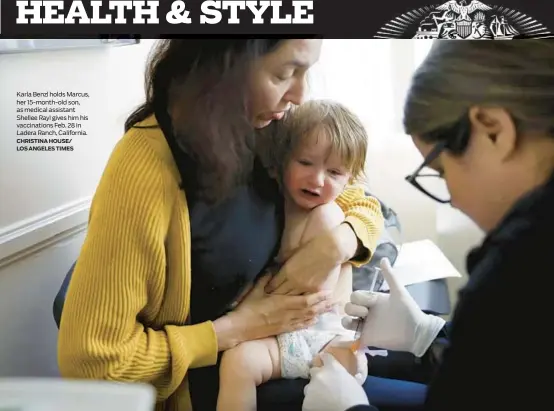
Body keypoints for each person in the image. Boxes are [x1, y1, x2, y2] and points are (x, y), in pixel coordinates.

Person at [56, 39, 385, 411]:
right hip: (223, 382)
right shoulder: (145, 171)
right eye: (284, 73)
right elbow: (94, 363)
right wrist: (237, 328)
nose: (299, 94)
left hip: (297, 347)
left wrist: (337, 245)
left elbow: (364, 202)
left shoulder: (271, 130)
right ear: (225, 64)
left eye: (307, 72)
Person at [301, 40, 553, 411]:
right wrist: (431, 334)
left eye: (441, 171)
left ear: (493, 130)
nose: (453, 197)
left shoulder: (519, 267)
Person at [217, 100, 372, 411]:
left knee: (349, 370)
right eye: (305, 163)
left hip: (320, 336)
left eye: (334, 172)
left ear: (350, 180)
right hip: (281, 335)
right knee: (237, 365)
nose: (317, 180)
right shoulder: (270, 201)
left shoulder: (327, 218)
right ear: (281, 162)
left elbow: (307, 294)